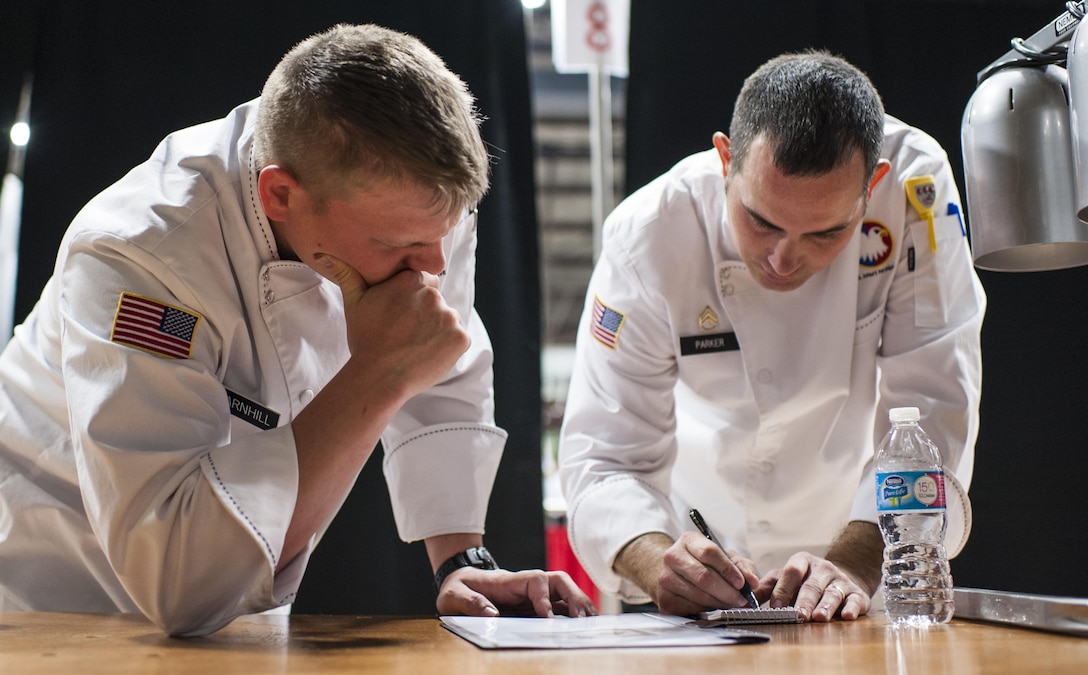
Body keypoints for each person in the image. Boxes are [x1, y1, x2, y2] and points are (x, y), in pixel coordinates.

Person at [0, 23, 595, 636]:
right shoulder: (140, 254)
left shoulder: (415, 208)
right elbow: (179, 585)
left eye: (447, 231)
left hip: (237, 600)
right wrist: (376, 374)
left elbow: (440, 362)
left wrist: (460, 560)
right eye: (400, 245)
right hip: (56, 591)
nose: (436, 265)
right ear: (280, 194)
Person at [558, 51, 984, 622]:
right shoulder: (651, 234)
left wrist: (856, 564)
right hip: (701, 563)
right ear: (725, 160)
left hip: (862, 555)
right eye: (761, 221)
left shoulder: (912, 188)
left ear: (872, 187)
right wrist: (657, 560)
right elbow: (605, 458)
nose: (784, 259)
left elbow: (931, 408)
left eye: (827, 232)